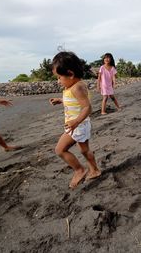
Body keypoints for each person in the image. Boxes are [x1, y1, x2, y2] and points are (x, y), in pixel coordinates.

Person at [49, 51, 101, 189]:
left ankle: (79, 170)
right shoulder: (72, 86)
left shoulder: (77, 87)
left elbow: (87, 108)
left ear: (70, 74)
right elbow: (74, 101)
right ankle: (94, 170)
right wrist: (60, 100)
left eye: (59, 77)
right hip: (77, 125)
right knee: (84, 150)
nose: (58, 81)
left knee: (60, 150)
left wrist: (76, 121)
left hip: (78, 125)